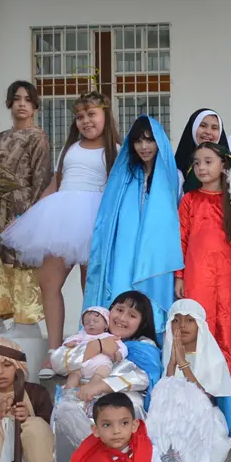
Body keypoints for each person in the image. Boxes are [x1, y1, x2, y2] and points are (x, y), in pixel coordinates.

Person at [1, 91, 119, 378]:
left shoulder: (115, 149)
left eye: (91, 114)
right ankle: (54, 350)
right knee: (48, 282)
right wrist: (33, 212)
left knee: (90, 286)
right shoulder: (71, 149)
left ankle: (90, 347)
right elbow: (57, 182)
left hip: (95, 218)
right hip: (62, 216)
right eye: (79, 116)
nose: (86, 121)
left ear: (105, 115)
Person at [83, 115, 182, 337]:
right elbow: (109, 218)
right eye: (138, 141)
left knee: (152, 303)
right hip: (124, 252)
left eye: (149, 140)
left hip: (156, 255)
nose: (144, 147)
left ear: (159, 142)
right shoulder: (124, 177)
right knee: (122, 293)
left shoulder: (173, 177)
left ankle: (150, 343)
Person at [50, 291, 164, 462]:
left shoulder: (144, 346)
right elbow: (58, 362)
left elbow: (143, 378)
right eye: (119, 310)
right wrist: (97, 346)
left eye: (132, 315)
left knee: (129, 404)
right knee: (66, 406)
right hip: (82, 395)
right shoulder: (88, 336)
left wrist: (100, 386)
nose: (122, 318)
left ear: (143, 323)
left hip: (119, 396)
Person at [0, 80, 51, 338]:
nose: (22, 104)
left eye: (28, 100)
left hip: (23, 205)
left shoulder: (38, 137)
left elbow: (41, 179)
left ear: (35, 106)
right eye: (17, 99)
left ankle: (25, 322)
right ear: (9, 103)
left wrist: (29, 216)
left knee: (22, 261)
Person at [175, 142, 231, 383]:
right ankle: (198, 375)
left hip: (227, 273)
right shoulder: (189, 200)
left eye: (208, 162)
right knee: (198, 319)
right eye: (197, 163)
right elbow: (181, 239)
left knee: (225, 321)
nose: (201, 168)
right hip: (196, 272)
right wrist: (179, 276)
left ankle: (226, 376)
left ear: (223, 164)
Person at [145, 299, 231, 462]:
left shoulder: (213, 358)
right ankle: (169, 459)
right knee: (164, 407)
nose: (182, 325)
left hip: (202, 415)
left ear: (200, 325)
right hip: (173, 415)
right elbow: (165, 390)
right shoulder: (167, 354)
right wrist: (172, 363)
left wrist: (183, 364)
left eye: (189, 320)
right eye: (176, 320)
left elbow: (204, 396)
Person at [61, 306, 126, 390]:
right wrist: (70, 343)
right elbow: (70, 339)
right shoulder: (82, 335)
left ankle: (91, 388)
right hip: (82, 365)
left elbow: (122, 347)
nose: (91, 324)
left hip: (101, 364)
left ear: (106, 324)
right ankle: (69, 390)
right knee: (74, 374)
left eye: (95, 321)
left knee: (103, 371)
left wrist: (120, 353)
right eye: (87, 323)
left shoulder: (110, 337)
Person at [174, 108, 229, 193]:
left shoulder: (230, 164)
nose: (208, 132)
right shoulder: (178, 169)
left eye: (214, 128)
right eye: (203, 126)